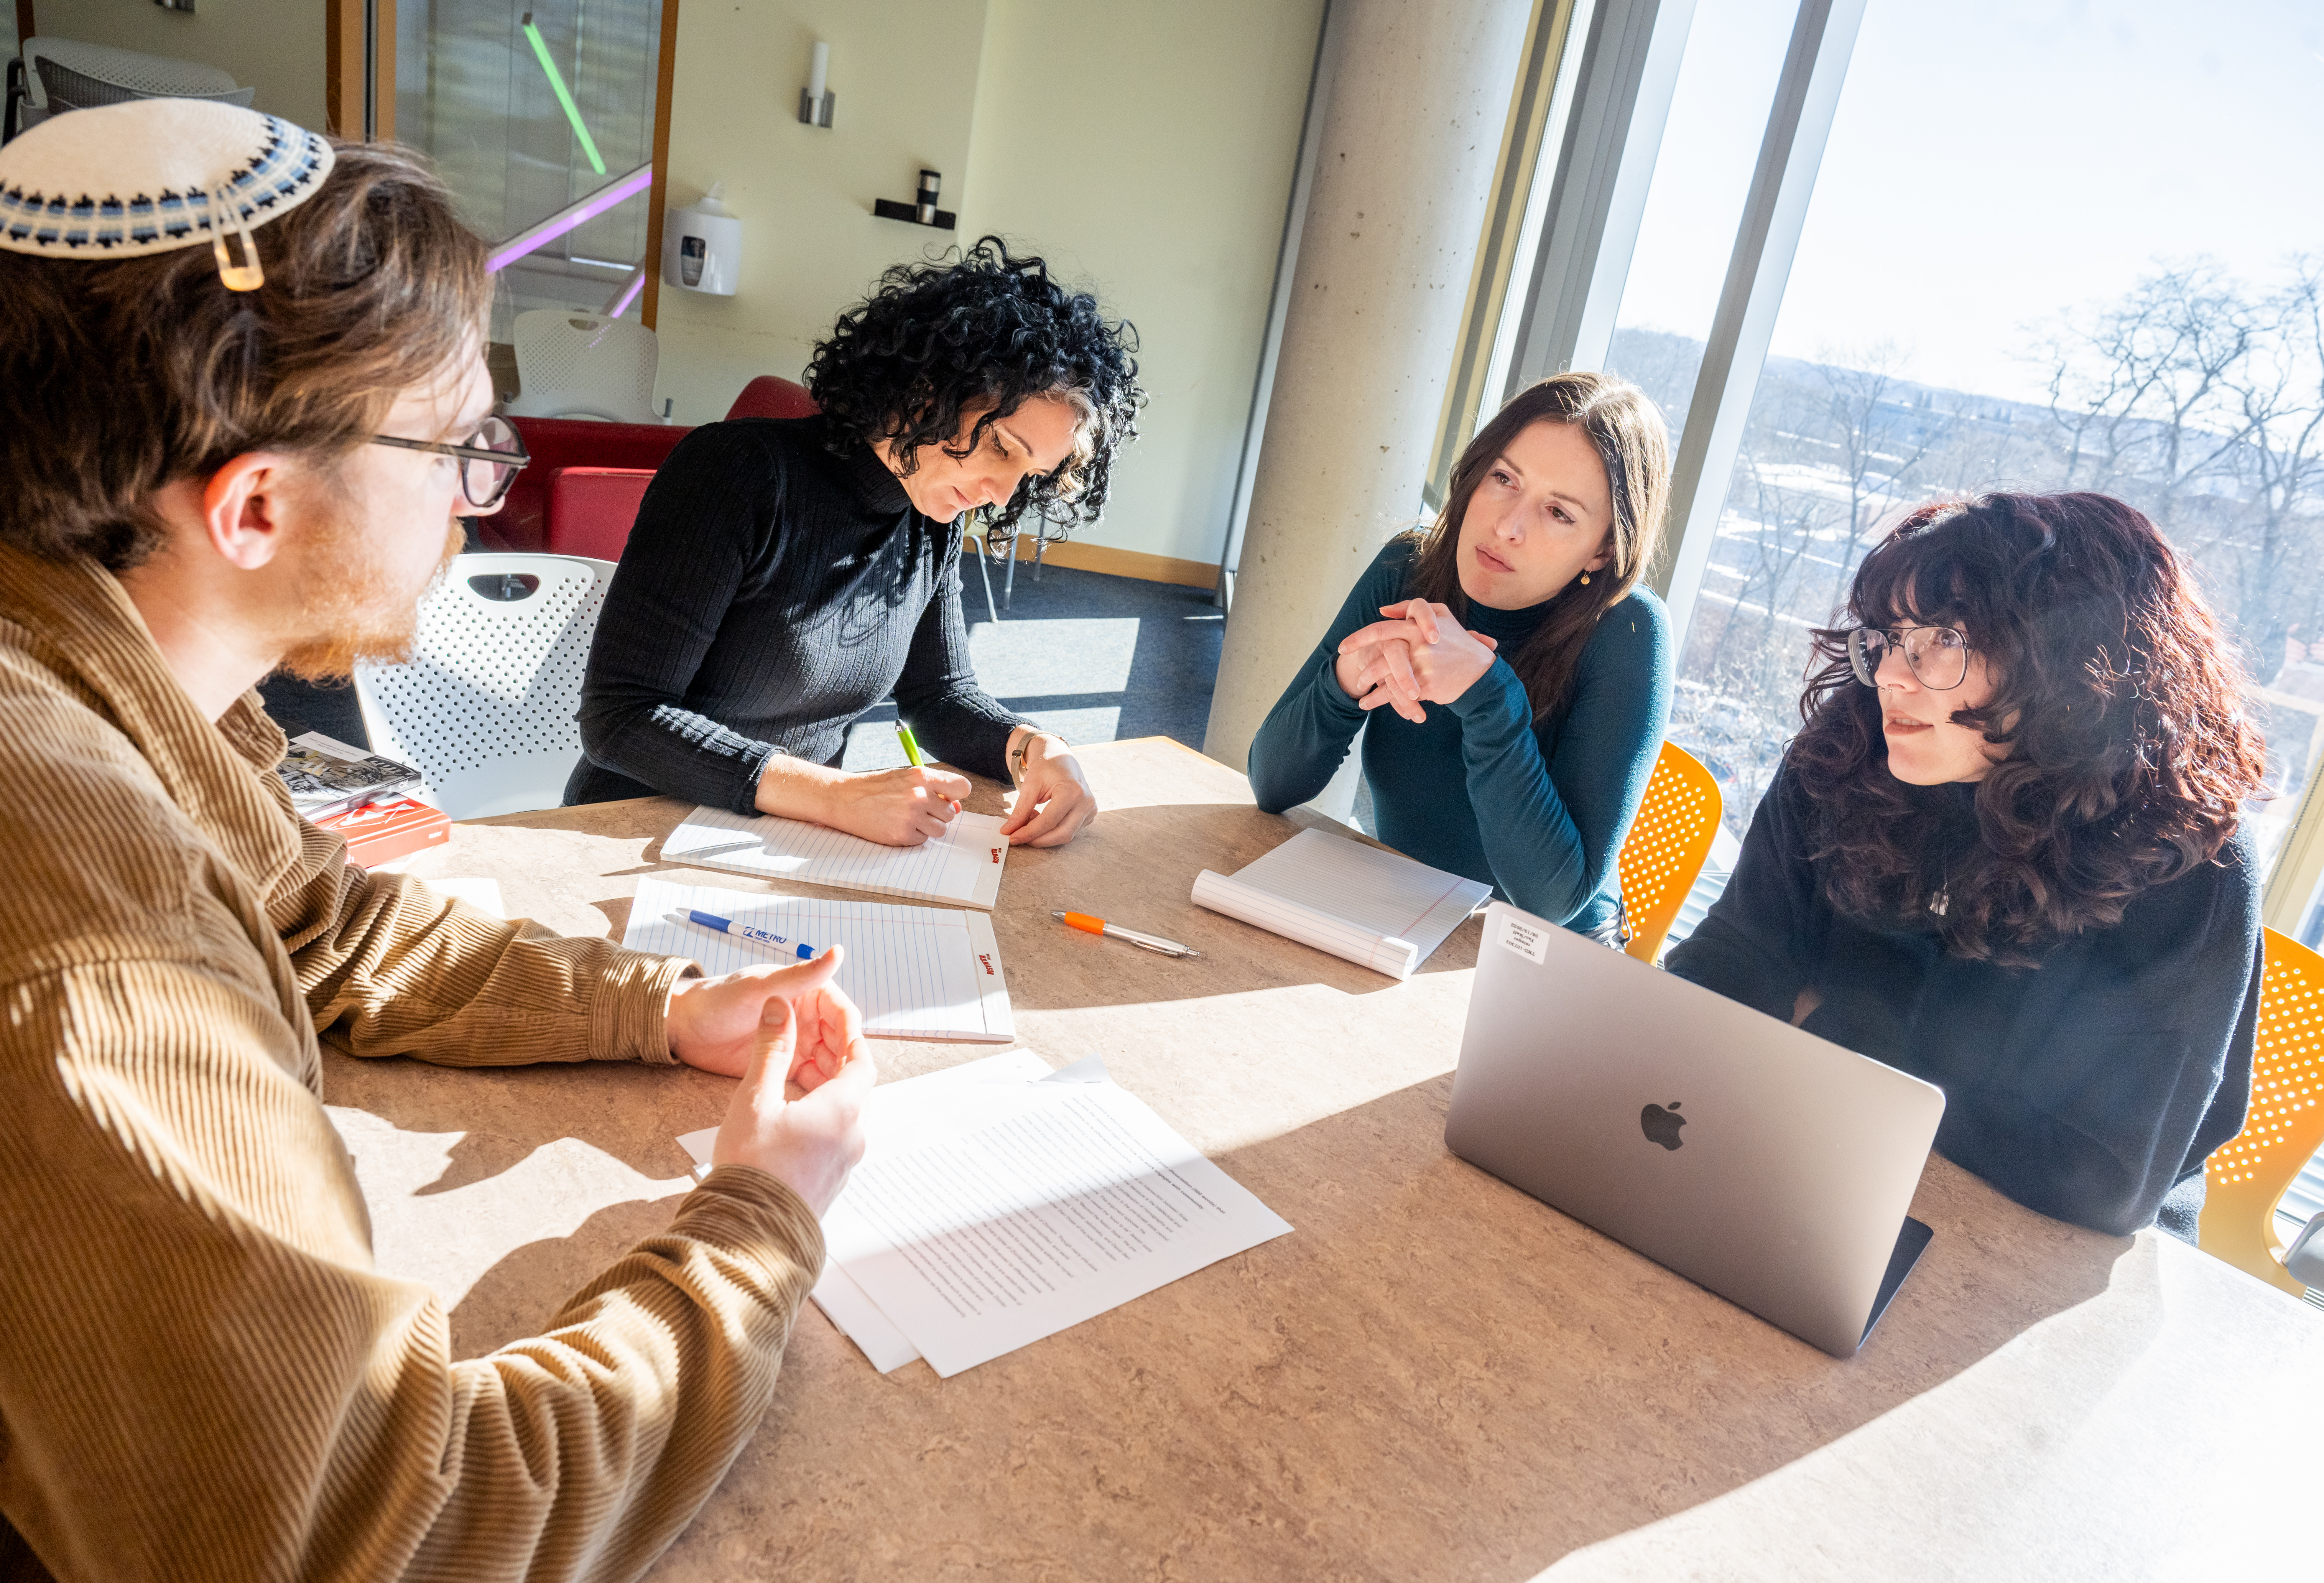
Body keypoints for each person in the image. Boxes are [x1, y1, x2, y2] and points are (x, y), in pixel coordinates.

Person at [0, 102, 875, 1580]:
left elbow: (325, 920)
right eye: (459, 447)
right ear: (257, 504)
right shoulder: (95, 932)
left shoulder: (88, 665)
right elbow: (390, 1527)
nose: (478, 502)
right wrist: (762, 1213)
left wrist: (658, 1004)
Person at [1667, 492, 2265, 1239]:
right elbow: (1731, 963)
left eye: (1943, 639)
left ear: (2074, 667)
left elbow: (2095, 1175)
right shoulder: (1847, 755)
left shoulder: (2189, 856)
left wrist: (1825, 1032)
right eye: (1889, 636)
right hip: (1814, 1163)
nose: (1891, 673)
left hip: (2057, 1249)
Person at [564, 238, 1145, 849]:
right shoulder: (738, 472)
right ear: (930, 389)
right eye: (1003, 447)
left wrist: (1034, 748)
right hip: (629, 831)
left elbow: (939, 695)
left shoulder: (931, 517)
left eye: (1028, 475)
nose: (1002, 494)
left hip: (787, 842)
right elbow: (621, 717)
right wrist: (835, 797)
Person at [1246, 372, 1675, 944]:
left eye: (1560, 513)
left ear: (1604, 549)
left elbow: (1550, 900)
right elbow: (1272, 787)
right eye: (1504, 478)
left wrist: (1489, 696)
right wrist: (1343, 683)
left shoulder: (1627, 632)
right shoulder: (1410, 570)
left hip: (1539, 958)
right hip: (1401, 912)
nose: (1507, 526)